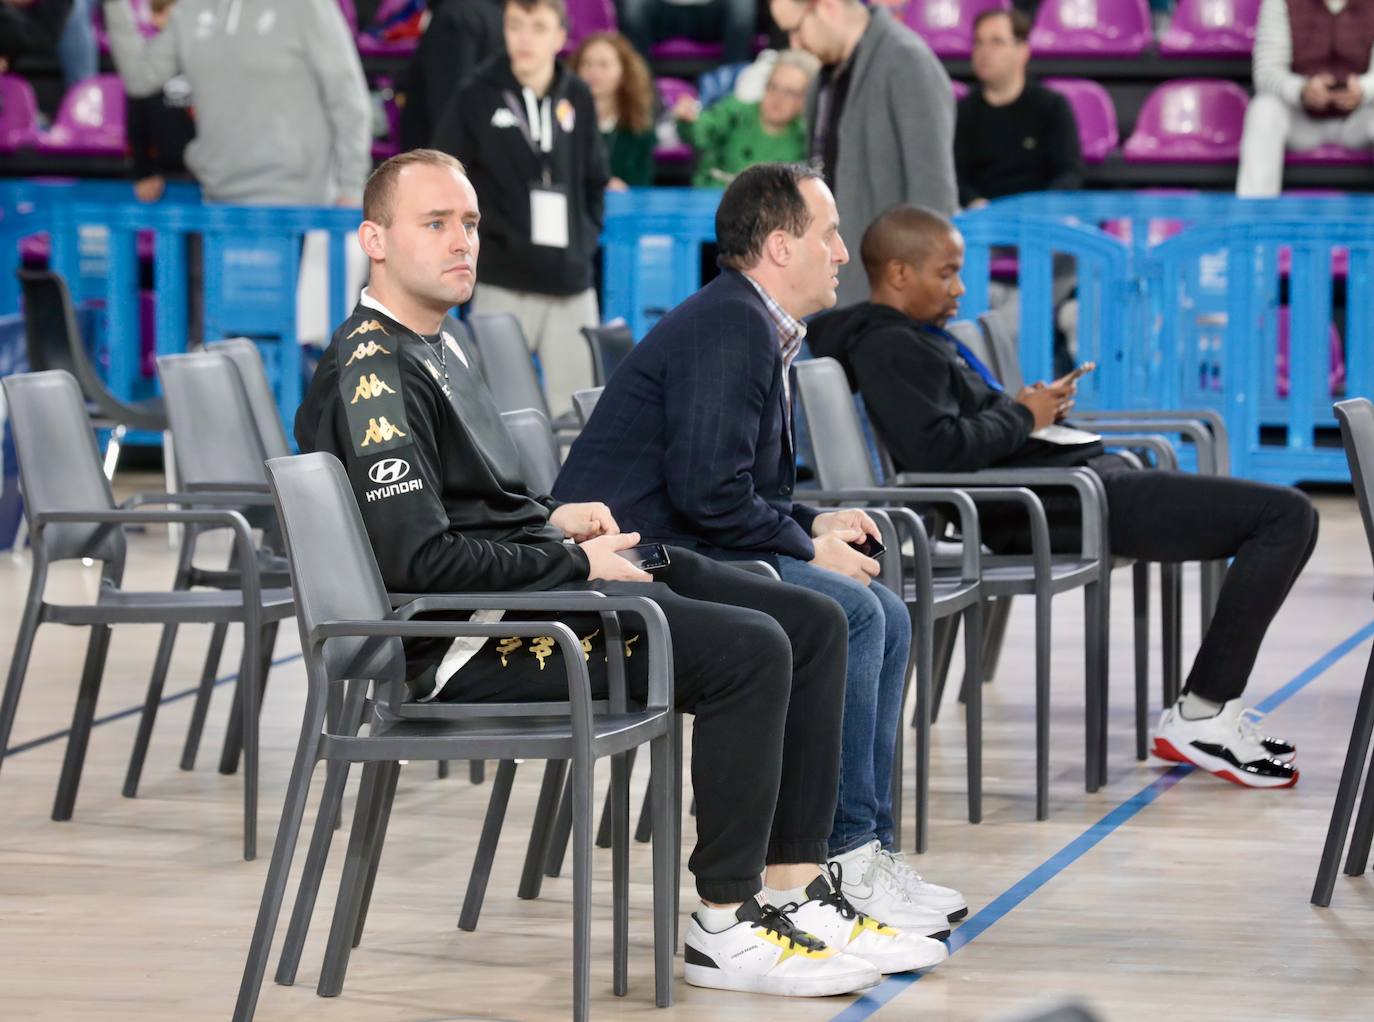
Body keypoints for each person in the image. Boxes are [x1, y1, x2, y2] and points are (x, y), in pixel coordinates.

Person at [296, 148, 948, 998]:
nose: (463, 242)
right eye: (435, 223)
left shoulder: (434, 346)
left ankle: (797, 891)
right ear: (373, 239)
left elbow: (471, 511)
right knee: (751, 652)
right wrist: (568, 557)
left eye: (470, 224)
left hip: (528, 592)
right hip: (462, 641)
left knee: (816, 622)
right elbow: (419, 560)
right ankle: (726, 921)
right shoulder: (374, 371)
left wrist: (552, 521)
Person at [554, 164, 967, 936]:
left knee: (881, 608)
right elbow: (708, 493)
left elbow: (736, 486)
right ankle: (831, 856)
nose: (844, 252)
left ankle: (858, 847)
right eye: (830, 234)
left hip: (693, 543)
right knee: (854, 614)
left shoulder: (753, 322)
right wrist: (804, 549)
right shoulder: (730, 324)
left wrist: (810, 528)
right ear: (780, 246)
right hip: (649, 565)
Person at [807, 205, 1320, 789]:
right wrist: (1024, 417)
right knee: (1285, 515)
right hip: (1049, 505)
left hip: (1067, 487)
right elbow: (936, 452)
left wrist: (1026, 409)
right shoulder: (890, 346)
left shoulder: (920, 339)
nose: (961, 287)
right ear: (898, 273)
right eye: (946, 273)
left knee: (1285, 515)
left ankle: (1206, 709)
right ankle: (1203, 715)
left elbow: (963, 427)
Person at [433, 0, 604, 421]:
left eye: (538, 27)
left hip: (570, 283)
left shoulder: (578, 95)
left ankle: (571, 492)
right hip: (502, 279)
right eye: (516, 25)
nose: (525, 38)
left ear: (561, 36)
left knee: (578, 417)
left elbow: (595, 179)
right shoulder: (476, 93)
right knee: (499, 417)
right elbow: (445, 176)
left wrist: (583, 243)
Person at [771, 0, 956, 305]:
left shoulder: (907, 61)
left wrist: (918, 306)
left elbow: (933, 198)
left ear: (828, 7)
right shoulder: (824, 80)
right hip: (839, 292)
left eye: (795, 29)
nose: (795, 44)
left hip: (891, 304)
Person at [102, 0, 370, 206]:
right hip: (217, 200)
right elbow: (140, 77)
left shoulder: (306, 6)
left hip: (302, 205)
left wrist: (351, 189)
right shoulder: (190, 10)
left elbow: (347, 98)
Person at [1237, 0, 1374, 196]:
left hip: (1359, 118)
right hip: (1301, 119)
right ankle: (1255, 214)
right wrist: (1302, 90)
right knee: (1263, 108)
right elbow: (1267, 73)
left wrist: (1364, 90)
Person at [955, 8, 1082, 208]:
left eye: (997, 42)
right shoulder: (963, 112)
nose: (984, 51)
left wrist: (1043, 207)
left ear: (1023, 51)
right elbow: (954, 176)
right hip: (981, 225)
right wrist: (973, 202)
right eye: (978, 42)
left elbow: (1069, 173)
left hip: (1040, 224)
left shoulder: (1051, 107)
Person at [673, 48, 816, 187]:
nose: (777, 98)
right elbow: (701, 130)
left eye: (789, 93)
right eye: (773, 86)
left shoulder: (806, 135)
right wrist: (688, 119)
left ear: (805, 100)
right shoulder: (735, 112)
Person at [399, 0, 503, 151]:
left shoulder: (454, 17)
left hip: (447, 161)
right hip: (482, 151)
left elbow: (448, 109)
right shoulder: (495, 11)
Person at [125, 0, 195, 205]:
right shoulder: (143, 65)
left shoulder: (210, 62)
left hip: (209, 173)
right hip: (162, 175)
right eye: (169, 14)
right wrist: (143, 172)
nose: (177, 22)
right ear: (155, 17)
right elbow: (135, 125)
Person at [571, 30, 657, 189]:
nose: (594, 72)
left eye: (603, 65)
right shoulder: (563, 120)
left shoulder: (640, 128)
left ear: (624, 72)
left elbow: (643, 182)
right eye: (587, 64)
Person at [618, 0, 757, 64]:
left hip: (713, 15)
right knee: (632, 6)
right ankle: (638, 89)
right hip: (660, 13)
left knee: (742, 6)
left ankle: (734, 90)